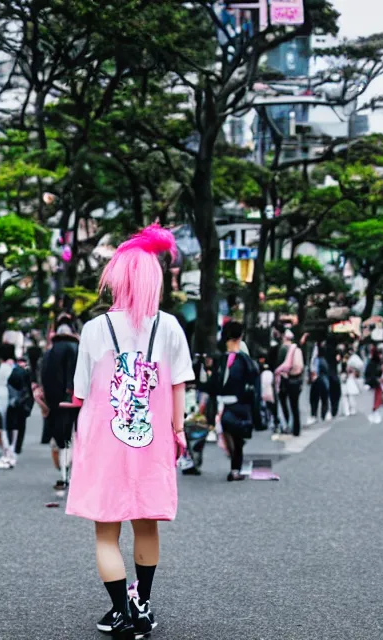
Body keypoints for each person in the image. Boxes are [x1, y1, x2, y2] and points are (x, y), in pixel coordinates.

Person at [63, 224, 193, 639]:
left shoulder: (94, 330)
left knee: (106, 530)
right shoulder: (170, 327)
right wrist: (179, 429)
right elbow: (178, 384)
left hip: (104, 442)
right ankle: (143, 605)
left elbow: (80, 392)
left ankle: (121, 611)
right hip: (153, 442)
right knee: (147, 524)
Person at [202, 321, 260, 482]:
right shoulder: (245, 361)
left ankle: (234, 465)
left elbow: (212, 385)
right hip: (240, 404)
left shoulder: (219, 360)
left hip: (222, 405)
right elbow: (252, 384)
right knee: (238, 438)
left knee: (228, 434)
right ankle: (235, 468)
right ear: (240, 337)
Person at [39, 315, 80, 489]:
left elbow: (43, 376)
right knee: (74, 435)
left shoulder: (50, 351)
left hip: (54, 400)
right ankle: (71, 473)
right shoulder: (75, 348)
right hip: (74, 399)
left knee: (61, 438)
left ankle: (64, 474)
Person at [274, 330, 305, 438]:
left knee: (284, 403)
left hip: (286, 379)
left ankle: (286, 425)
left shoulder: (283, 349)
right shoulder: (297, 349)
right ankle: (296, 428)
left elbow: (280, 365)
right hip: (297, 379)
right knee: (295, 405)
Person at [306, 341, 330, 425]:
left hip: (318, 380)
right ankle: (322, 414)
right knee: (322, 398)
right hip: (321, 380)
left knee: (315, 399)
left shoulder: (317, 360)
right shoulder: (321, 360)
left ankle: (315, 415)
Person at [365, 345, 383, 424]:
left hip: (376, 383)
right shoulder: (373, 363)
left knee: (378, 398)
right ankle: (374, 412)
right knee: (376, 398)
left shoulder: (378, 362)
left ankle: (375, 411)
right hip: (373, 383)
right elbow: (370, 374)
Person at [343, 349, 364, 416]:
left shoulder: (352, 359)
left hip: (350, 378)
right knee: (348, 395)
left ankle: (349, 410)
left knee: (348, 394)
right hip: (349, 377)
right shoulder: (354, 358)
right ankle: (350, 410)